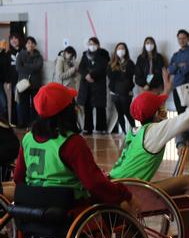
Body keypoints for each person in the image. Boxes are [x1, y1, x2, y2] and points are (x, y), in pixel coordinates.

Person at [13, 82, 138, 213]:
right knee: (117, 207)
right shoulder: (71, 142)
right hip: (67, 208)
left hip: (33, 208)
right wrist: (124, 194)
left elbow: (18, 178)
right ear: (67, 111)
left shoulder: (28, 138)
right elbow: (94, 183)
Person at [109, 69, 189, 206]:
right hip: (130, 189)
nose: (163, 108)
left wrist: (167, 88)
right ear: (156, 113)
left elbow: (150, 105)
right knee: (188, 182)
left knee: (176, 183)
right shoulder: (155, 131)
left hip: (115, 182)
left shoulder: (135, 130)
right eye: (161, 107)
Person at [77, 37, 110, 135]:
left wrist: (92, 75)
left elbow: (102, 67)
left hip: (98, 83)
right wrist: (86, 75)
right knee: (88, 106)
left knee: (100, 106)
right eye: (90, 44)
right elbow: (81, 67)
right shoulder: (85, 55)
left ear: (98, 45)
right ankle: (88, 128)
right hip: (86, 84)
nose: (92, 46)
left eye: (94, 44)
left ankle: (101, 128)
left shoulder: (103, 54)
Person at [168, 29, 189, 114]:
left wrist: (176, 67)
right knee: (180, 114)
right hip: (177, 88)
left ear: (188, 39)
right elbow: (170, 70)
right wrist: (178, 65)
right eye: (179, 38)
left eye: (184, 38)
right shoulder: (176, 55)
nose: (181, 40)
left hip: (188, 88)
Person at [107, 42, 136, 134]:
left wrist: (122, 74)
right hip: (115, 92)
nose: (120, 51)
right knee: (119, 113)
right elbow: (111, 76)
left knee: (127, 112)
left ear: (126, 51)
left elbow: (131, 76)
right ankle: (124, 132)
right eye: (119, 49)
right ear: (116, 51)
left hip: (126, 92)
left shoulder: (130, 63)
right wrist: (120, 73)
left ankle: (134, 130)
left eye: (122, 48)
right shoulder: (111, 64)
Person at [16, 36, 43, 128]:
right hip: (23, 84)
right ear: (25, 44)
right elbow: (18, 68)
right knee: (24, 105)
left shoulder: (39, 56)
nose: (30, 45)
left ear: (35, 45)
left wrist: (26, 65)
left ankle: (35, 124)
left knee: (36, 105)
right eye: (28, 43)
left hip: (35, 84)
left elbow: (38, 67)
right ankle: (24, 123)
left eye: (32, 43)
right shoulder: (20, 55)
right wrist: (31, 67)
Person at [5, 33, 24, 126]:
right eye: (11, 39)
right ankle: (15, 122)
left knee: (22, 101)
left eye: (16, 38)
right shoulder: (8, 53)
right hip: (13, 81)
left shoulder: (23, 51)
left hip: (23, 80)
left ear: (19, 40)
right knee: (15, 101)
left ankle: (22, 122)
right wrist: (8, 81)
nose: (13, 40)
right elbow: (7, 68)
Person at [0, 40, 10, 121]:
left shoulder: (4, 55)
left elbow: (6, 68)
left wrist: (7, 81)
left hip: (1, 81)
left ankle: (5, 123)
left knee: (4, 104)